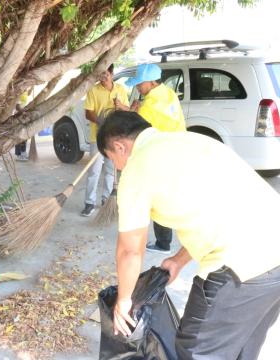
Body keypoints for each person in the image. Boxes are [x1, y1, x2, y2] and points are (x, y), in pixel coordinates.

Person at [97, 111, 280, 360]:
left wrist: (124, 300)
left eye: (111, 159)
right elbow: (219, 209)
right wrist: (178, 260)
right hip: (273, 257)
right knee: (240, 349)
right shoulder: (191, 141)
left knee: (197, 351)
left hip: (240, 267)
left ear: (119, 146)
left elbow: (130, 250)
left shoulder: (137, 167)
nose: (116, 168)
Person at [126, 63, 186, 254]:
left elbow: (137, 127)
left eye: (140, 84)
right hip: (177, 152)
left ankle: (163, 243)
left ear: (151, 82)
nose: (137, 87)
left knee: (158, 199)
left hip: (162, 156)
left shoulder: (150, 104)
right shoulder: (168, 93)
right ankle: (169, 238)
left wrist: (132, 111)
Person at [81, 64, 130, 217]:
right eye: (100, 74)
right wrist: (100, 121)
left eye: (106, 74)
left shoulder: (120, 90)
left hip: (114, 138)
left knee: (110, 170)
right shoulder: (93, 90)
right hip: (97, 137)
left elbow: (127, 110)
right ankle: (89, 203)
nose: (103, 77)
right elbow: (88, 113)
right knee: (94, 171)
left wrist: (120, 106)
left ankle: (106, 201)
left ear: (112, 73)